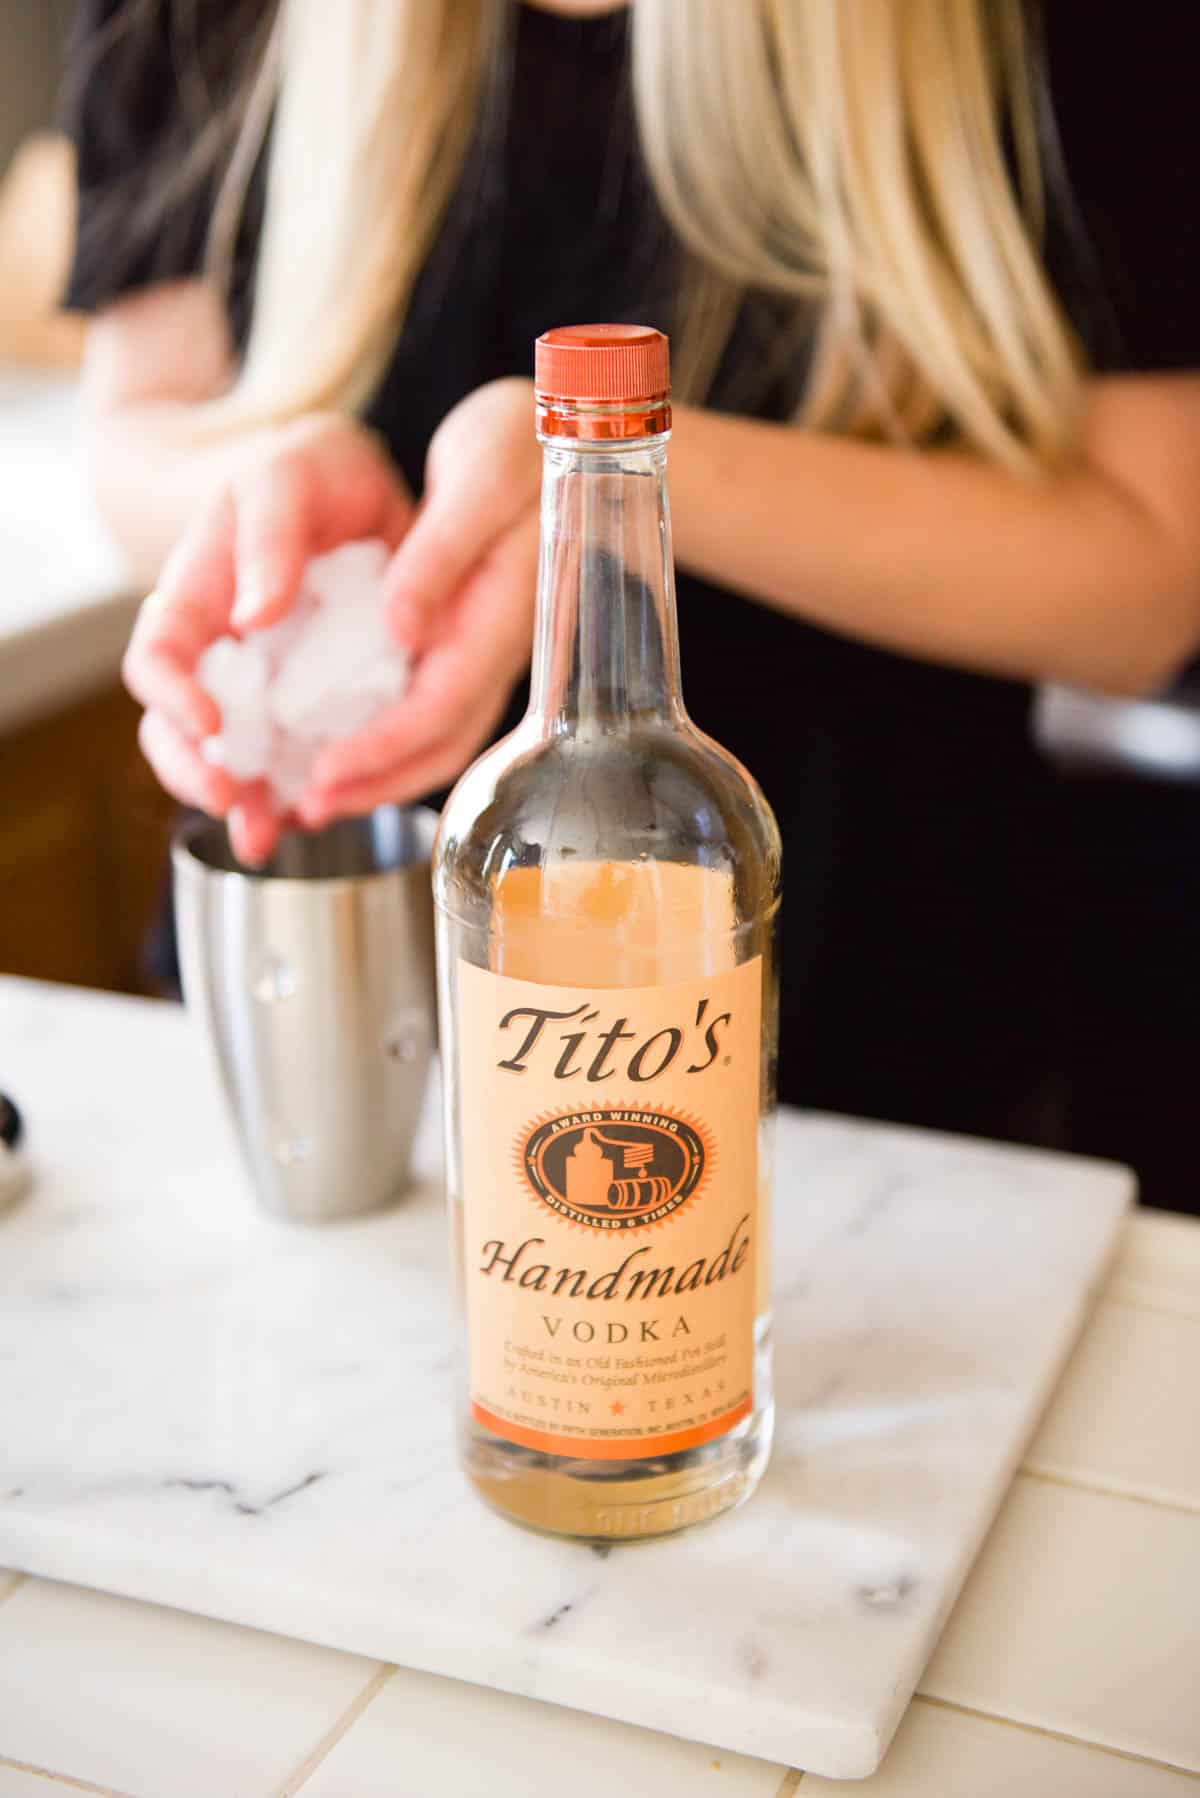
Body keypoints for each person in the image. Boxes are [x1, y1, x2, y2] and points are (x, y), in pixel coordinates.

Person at [64, 0, 1200, 1149]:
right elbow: (132, 431)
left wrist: (590, 459)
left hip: (877, 1052)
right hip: (328, 1028)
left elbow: (1149, 590)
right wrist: (268, 478)